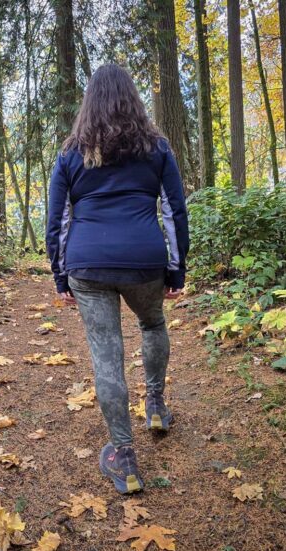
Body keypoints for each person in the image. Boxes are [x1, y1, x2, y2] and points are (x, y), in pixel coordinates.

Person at [46, 63, 189, 495]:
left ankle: (123, 456)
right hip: (144, 260)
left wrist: (60, 275)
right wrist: (176, 267)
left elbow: (57, 220)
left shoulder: (71, 153)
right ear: (133, 100)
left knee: (106, 355)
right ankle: (156, 405)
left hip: (88, 265)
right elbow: (174, 210)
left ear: (89, 103)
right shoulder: (156, 148)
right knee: (153, 323)